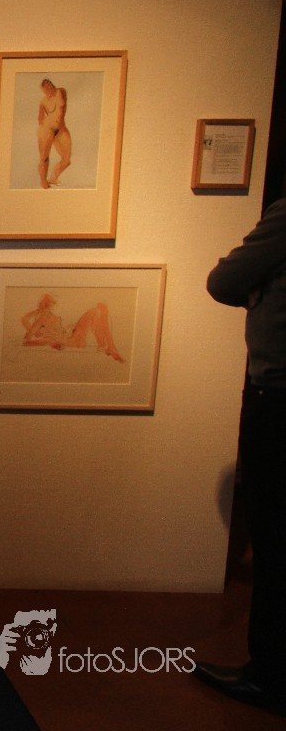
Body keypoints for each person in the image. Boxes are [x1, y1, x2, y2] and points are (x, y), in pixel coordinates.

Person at [194, 197, 286, 715]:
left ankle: (270, 677)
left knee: (274, 536)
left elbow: (224, 281)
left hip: (278, 397)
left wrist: (258, 290)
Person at [19, 293, 124, 362]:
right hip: (71, 340)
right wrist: (48, 342)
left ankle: (107, 346)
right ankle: (109, 347)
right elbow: (26, 341)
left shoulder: (44, 314)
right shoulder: (42, 317)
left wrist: (67, 328)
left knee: (99, 310)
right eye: (51, 301)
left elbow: (25, 319)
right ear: (47, 303)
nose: (54, 304)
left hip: (70, 335)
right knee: (97, 310)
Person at [36, 78, 72, 188]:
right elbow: (40, 119)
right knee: (44, 157)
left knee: (66, 159)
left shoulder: (61, 92)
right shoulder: (43, 102)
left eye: (49, 86)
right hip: (47, 129)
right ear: (43, 90)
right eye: (45, 89)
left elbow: (61, 106)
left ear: (52, 85)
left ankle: (53, 177)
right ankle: (43, 181)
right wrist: (45, 128)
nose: (48, 90)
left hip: (61, 128)